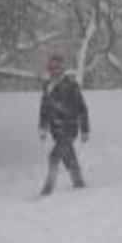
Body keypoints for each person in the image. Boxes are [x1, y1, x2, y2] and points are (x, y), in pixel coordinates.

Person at [38, 54, 90, 196]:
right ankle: (78, 182)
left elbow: (82, 109)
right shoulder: (47, 86)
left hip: (69, 127)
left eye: (57, 68)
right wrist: (43, 127)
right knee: (68, 157)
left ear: (62, 69)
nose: (54, 71)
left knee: (54, 157)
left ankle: (48, 188)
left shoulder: (71, 85)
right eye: (51, 68)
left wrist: (85, 130)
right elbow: (44, 109)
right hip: (56, 130)